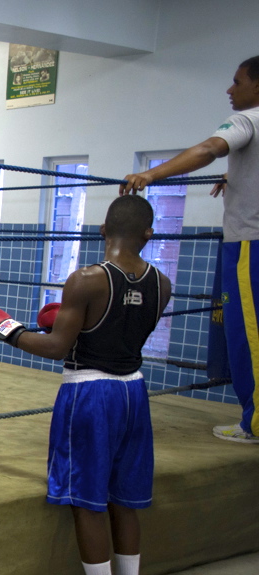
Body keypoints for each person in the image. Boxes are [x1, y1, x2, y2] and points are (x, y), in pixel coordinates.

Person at [0, 195, 171, 575]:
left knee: (86, 499)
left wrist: (4, 327)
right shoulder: (162, 283)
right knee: (123, 498)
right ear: (149, 234)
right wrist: (73, 328)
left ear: (100, 231)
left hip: (90, 394)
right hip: (134, 390)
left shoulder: (87, 279)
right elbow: (115, 334)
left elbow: (56, 348)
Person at [122, 55, 259, 445]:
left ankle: (255, 424)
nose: (230, 90)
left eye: (237, 82)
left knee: (250, 335)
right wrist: (237, 176)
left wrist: (151, 173)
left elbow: (209, 148)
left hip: (251, 244)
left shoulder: (247, 120)